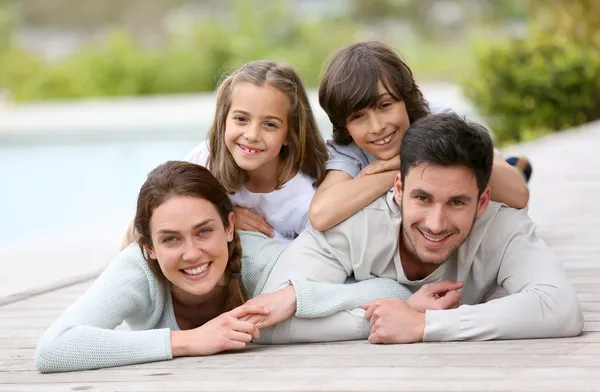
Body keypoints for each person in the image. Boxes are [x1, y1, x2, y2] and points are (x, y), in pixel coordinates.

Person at [36, 161, 448, 373]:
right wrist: (190, 341)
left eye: (204, 232)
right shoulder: (137, 270)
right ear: (149, 247)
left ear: (230, 226)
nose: (192, 253)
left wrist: (295, 297)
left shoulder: (257, 260)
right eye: (170, 240)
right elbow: (55, 348)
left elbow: (391, 294)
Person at [255, 112, 583, 344]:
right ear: (397, 188)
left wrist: (424, 324)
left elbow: (560, 308)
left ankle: (515, 167)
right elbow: (268, 322)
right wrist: (392, 313)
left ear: (482, 202)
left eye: (457, 202)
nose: (436, 224)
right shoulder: (355, 223)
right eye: (422, 198)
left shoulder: (501, 222)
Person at [308, 41, 531, 232]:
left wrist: (409, 164)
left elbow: (517, 194)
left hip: (492, 171)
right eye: (358, 116)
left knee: (510, 174)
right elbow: (321, 214)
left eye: (385, 105)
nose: (377, 127)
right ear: (344, 125)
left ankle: (517, 165)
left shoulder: (437, 119)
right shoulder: (350, 149)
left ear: (406, 99)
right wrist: (396, 172)